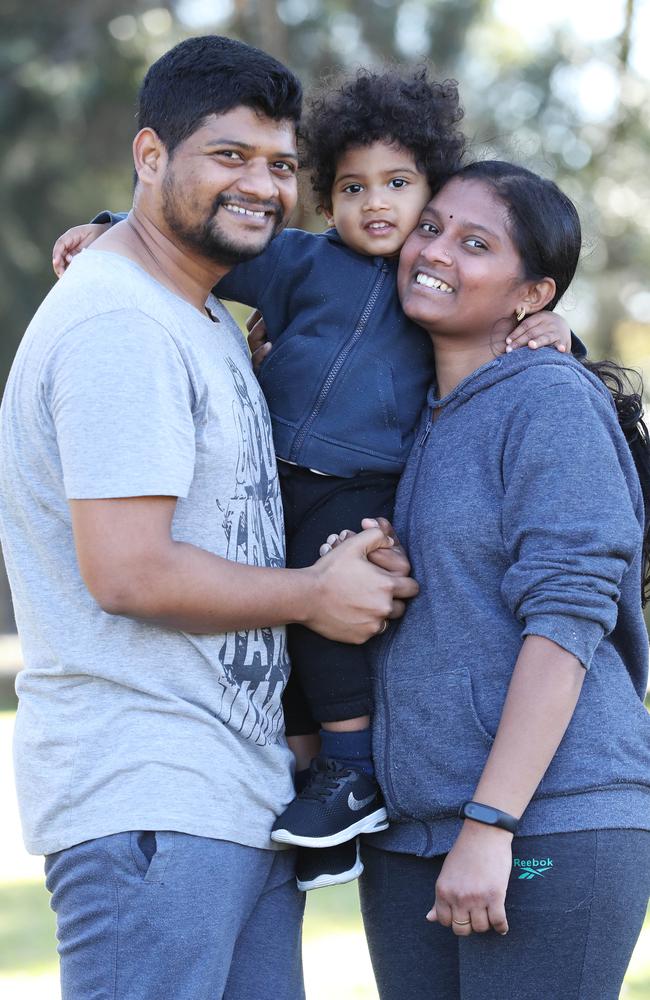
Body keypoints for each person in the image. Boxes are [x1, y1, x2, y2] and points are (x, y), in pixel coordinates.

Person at [51, 68, 579, 893]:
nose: (377, 204)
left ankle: (350, 766)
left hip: (359, 484)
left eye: (400, 187)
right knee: (282, 626)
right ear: (325, 200)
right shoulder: (297, 263)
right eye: (352, 186)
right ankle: (317, 794)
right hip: (277, 475)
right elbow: (192, 244)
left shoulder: (426, 289)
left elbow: (497, 327)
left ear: (429, 197)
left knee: (333, 617)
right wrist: (107, 226)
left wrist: (554, 326)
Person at [0, 35, 420, 1000]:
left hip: (237, 794)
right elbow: (130, 572)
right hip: (148, 793)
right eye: (229, 157)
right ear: (151, 156)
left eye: (279, 165)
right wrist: (317, 594)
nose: (262, 187)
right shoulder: (121, 323)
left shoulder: (195, 315)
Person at [339, 161, 650, 999]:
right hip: (411, 834)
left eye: (476, 243)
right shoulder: (406, 414)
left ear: (532, 295)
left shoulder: (547, 399)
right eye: (431, 226)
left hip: (548, 816)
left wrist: (492, 822)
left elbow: (567, 620)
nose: (435, 250)